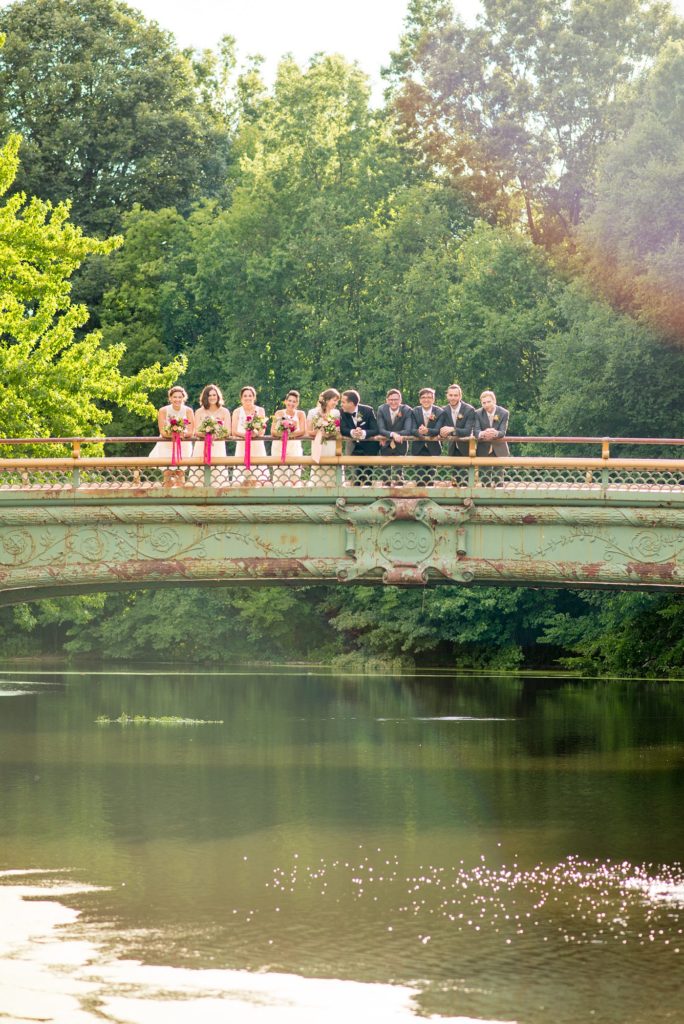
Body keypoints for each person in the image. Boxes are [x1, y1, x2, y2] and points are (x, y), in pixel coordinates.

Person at [148, 385, 194, 487]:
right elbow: (163, 431)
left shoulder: (188, 410)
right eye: (175, 397)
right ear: (170, 398)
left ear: (183, 398)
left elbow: (191, 431)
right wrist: (173, 434)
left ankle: (181, 498)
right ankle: (167, 496)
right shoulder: (163, 410)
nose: (177, 399)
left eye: (179, 397)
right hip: (166, 445)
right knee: (167, 472)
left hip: (183, 445)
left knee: (180, 472)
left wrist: (182, 434)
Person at [434, 384, 476, 485]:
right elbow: (440, 428)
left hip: (467, 448)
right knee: (455, 476)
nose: (453, 398)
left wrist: (452, 429)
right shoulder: (443, 410)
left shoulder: (469, 410)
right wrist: (441, 433)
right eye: (451, 395)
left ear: (460, 396)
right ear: (447, 396)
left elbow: (467, 431)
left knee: (466, 477)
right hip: (452, 447)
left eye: (455, 395)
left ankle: (467, 495)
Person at [191, 384, 230, 485]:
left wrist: (215, 435)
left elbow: (227, 431)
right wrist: (207, 435)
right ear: (205, 397)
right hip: (202, 445)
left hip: (218, 444)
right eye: (209, 395)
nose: (212, 397)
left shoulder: (224, 411)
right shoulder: (199, 411)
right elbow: (196, 431)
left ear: (218, 396)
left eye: (214, 395)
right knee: (199, 471)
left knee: (218, 471)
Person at [339, 389, 380, 486]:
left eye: (343, 402)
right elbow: (343, 429)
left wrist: (363, 433)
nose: (341, 404)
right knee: (355, 475)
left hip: (369, 447)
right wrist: (352, 432)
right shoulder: (342, 412)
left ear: (352, 403)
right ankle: (355, 496)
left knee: (368, 476)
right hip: (353, 447)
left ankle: (368, 497)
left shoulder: (368, 410)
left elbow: (375, 429)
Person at [403, 387, 443, 485]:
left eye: (429, 397)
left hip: (433, 448)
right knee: (419, 477)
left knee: (431, 476)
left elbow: (438, 430)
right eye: (424, 397)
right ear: (420, 399)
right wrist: (420, 432)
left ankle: (429, 497)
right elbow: (412, 429)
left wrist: (427, 431)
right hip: (418, 447)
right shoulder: (414, 411)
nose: (426, 399)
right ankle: (420, 497)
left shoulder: (439, 412)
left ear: (433, 399)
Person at [232, 385, 270, 485]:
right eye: (245, 396)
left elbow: (262, 431)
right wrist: (246, 435)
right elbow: (234, 431)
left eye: (250, 395)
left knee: (258, 473)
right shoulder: (237, 411)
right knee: (241, 473)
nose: (248, 398)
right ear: (241, 398)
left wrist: (255, 433)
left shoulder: (260, 410)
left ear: (254, 397)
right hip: (242, 445)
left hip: (257, 445)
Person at [376, 388, 412, 485]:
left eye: (396, 399)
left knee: (399, 469)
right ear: (387, 400)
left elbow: (408, 430)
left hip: (401, 442)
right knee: (385, 470)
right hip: (385, 442)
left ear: (400, 400)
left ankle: (400, 490)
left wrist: (398, 435)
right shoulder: (381, 409)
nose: (393, 402)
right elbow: (381, 429)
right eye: (391, 399)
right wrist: (392, 434)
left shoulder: (407, 410)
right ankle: (386, 491)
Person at [306, 388, 341, 486]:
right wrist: (320, 431)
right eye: (334, 400)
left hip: (332, 445)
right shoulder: (313, 412)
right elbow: (308, 431)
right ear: (327, 400)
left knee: (332, 467)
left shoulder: (336, 413)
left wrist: (331, 431)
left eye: (337, 401)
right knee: (319, 468)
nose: (336, 403)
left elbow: (338, 429)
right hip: (319, 443)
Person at [271, 389, 306, 485]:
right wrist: (283, 434)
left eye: (294, 401)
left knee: (295, 472)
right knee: (279, 473)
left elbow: (303, 430)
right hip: (279, 446)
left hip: (294, 446)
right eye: (289, 401)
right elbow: (273, 431)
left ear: (297, 403)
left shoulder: (301, 414)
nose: (291, 403)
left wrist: (290, 435)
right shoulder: (279, 413)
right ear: (285, 401)